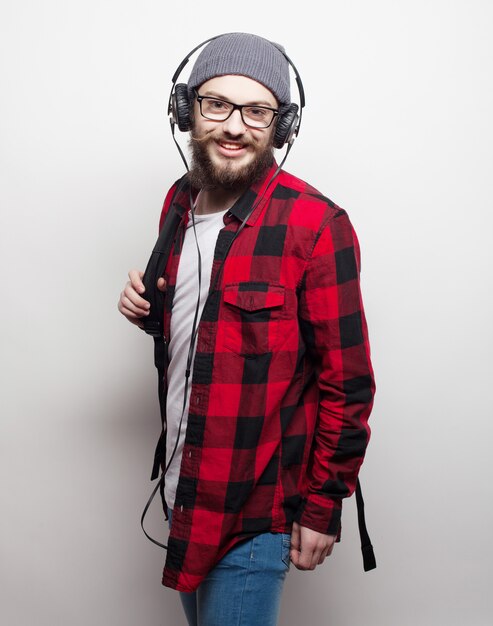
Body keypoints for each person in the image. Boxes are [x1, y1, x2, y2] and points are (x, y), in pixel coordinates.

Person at [118, 32, 375, 626]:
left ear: (280, 125)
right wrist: (149, 312)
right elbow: (208, 336)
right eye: (217, 105)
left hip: (257, 507)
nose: (234, 126)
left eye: (257, 111)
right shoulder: (179, 202)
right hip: (187, 493)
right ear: (188, 111)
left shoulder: (315, 224)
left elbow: (348, 384)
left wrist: (321, 506)